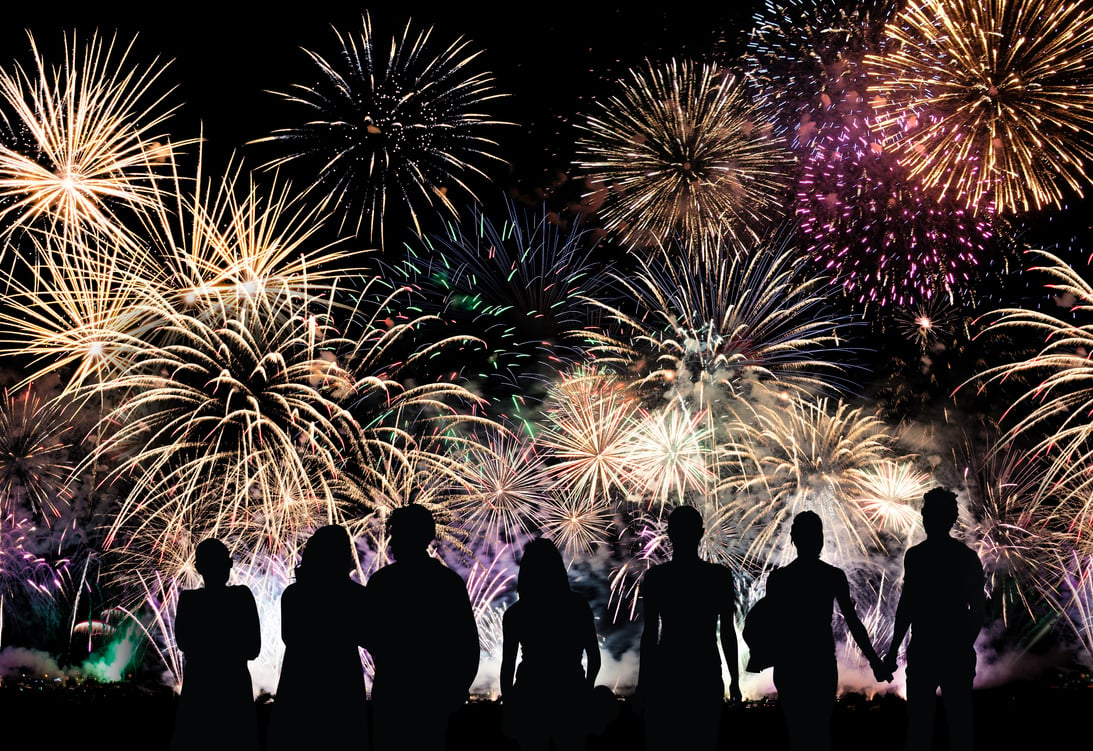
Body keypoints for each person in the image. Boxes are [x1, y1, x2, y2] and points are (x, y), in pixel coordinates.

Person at [765, 510, 891, 751]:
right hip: (821, 664)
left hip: (789, 666)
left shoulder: (779, 580)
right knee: (821, 734)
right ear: (820, 539)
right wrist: (875, 661)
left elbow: (772, 625)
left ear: (794, 539)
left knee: (796, 735)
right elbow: (853, 623)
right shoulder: (832, 576)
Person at [367, 504, 480, 751]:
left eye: (396, 534)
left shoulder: (382, 583)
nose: (392, 541)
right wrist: (458, 688)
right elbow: (468, 644)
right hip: (434, 694)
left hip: (393, 693)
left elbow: (368, 636)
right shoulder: (448, 583)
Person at [883, 487, 985, 751]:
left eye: (927, 513)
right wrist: (963, 644)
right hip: (952, 652)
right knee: (960, 730)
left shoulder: (917, 556)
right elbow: (978, 610)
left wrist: (893, 650)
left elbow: (907, 606)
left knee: (919, 730)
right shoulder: (966, 558)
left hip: (925, 649)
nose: (925, 518)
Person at [638, 504, 742, 751]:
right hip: (704, 668)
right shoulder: (719, 577)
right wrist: (734, 680)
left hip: (668, 670)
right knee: (704, 740)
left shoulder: (656, 578)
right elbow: (727, 632)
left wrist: (644, 685)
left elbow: (650, 635)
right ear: (702, 533)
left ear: (670, 534)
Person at [267, 524, 370, 751]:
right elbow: (368, 637)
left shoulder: (293, 595)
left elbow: (290, 638)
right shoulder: (356, 595)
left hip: (299, 685)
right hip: (342, 685)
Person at [500, 537, 601, 751]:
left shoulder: (516, 614)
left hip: (529, 697)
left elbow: (507, 666)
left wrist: (509, 704)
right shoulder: (578, 606)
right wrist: (586, 689)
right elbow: (594, 656)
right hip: (571, 693)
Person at [170, 538, 261, 751]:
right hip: (234, 690)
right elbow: (253, 648)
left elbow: (184, 643)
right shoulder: (242, 597)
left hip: (199, 691)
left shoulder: (189, 601)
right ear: (229, 564)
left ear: (199, 568)